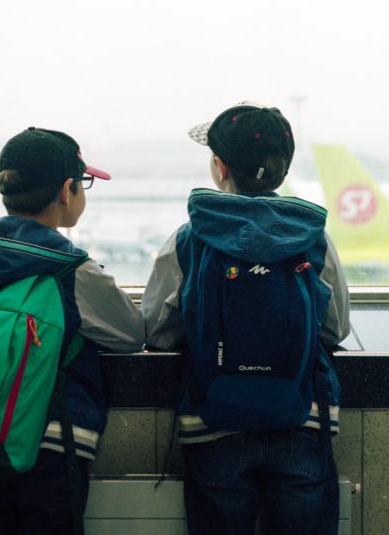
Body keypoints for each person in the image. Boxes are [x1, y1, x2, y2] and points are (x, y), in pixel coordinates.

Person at [142, 102, 350, 535]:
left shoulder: (189, 237)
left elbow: (159, 334)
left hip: (212, 422)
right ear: (282, 169)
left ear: (220, 167)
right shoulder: (313, 237)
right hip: (299, 417)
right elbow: (335, 327)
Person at [0, 126, 145, 535]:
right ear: (67, 190)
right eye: (83, 183)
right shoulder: (70, 268)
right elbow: (131, 333)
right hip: (49, 445)